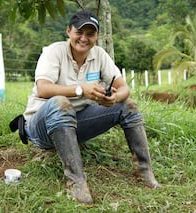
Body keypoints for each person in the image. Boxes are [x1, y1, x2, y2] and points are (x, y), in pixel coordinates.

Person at [22, 10, 161, 204]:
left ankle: (144, 172)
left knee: (127, 105)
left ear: (96, 36)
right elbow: (43, 89)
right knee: (60, 103)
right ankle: (76, 181)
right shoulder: (54, 51)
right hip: (40, 127)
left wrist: (114, 98)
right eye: (79, 32)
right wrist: (81, 90)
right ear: (68, 31)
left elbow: (124, 89)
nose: (84, 38)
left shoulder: (99, 55)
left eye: (90, 34)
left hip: (74, 124)